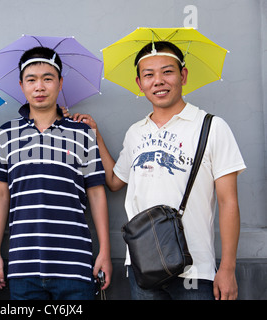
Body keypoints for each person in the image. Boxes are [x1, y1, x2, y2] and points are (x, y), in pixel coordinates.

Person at [72, 41, 246, 300]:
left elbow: (228, 200)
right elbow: (114, 181)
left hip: (195, 270)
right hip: (144, 266)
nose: (158, 81)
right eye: (149, 75)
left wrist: (228, 268)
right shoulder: (136, 132)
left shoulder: (211, 126)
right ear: (139, 84)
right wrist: (96, 137)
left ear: (183, 76)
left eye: (167, 72)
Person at [0, 46, 112, 300]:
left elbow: (97, 194)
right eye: (31, 80)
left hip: (75, 266)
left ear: (60, 83)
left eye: (48, 78)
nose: (40, 87)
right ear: (21, 85)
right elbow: (1, 195)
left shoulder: (83, 133)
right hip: (23, 267)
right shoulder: (5, 134)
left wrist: (105, 252)